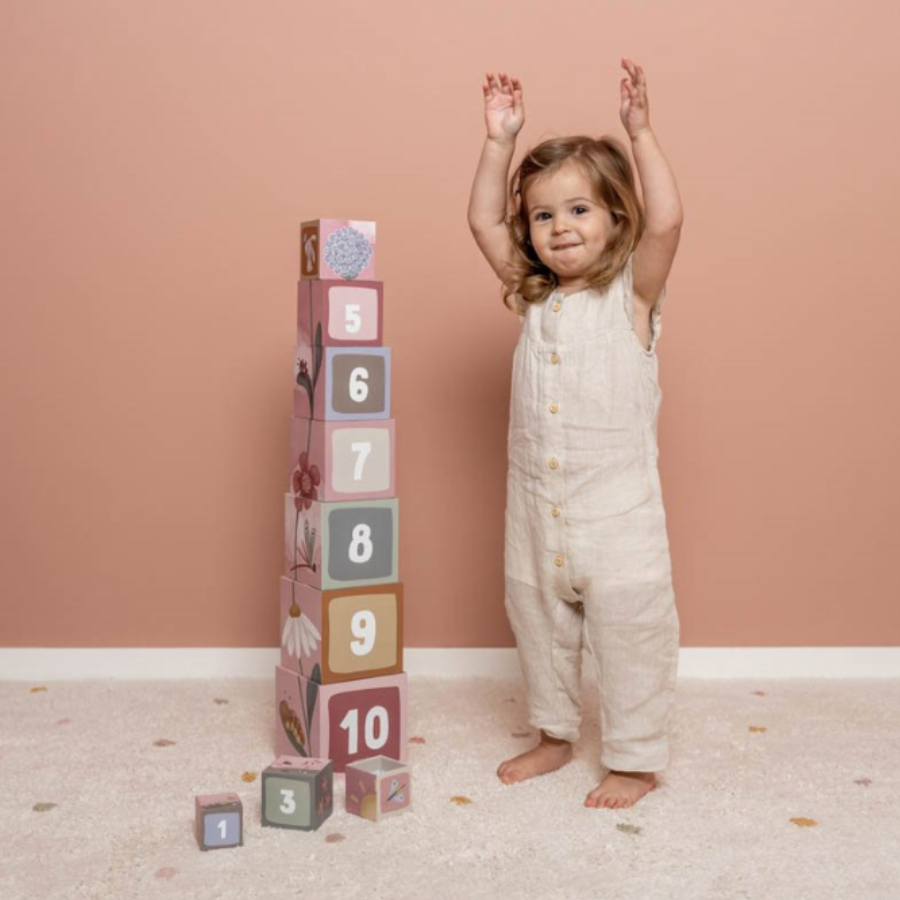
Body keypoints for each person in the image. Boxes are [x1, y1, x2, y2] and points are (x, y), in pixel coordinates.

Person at [467, 59, 683, 810]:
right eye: (545, 216)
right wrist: (500, 143)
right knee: (539, 623)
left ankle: (635, 756)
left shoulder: (633, 297)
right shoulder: (533, 300)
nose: (561, 228)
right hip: (536, 509)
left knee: (632, 637)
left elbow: (668, 220)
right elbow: (483, 221)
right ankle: (555, 734)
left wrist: (641, 130)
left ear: (615, 219)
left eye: (580, 211)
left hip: (616, 514)